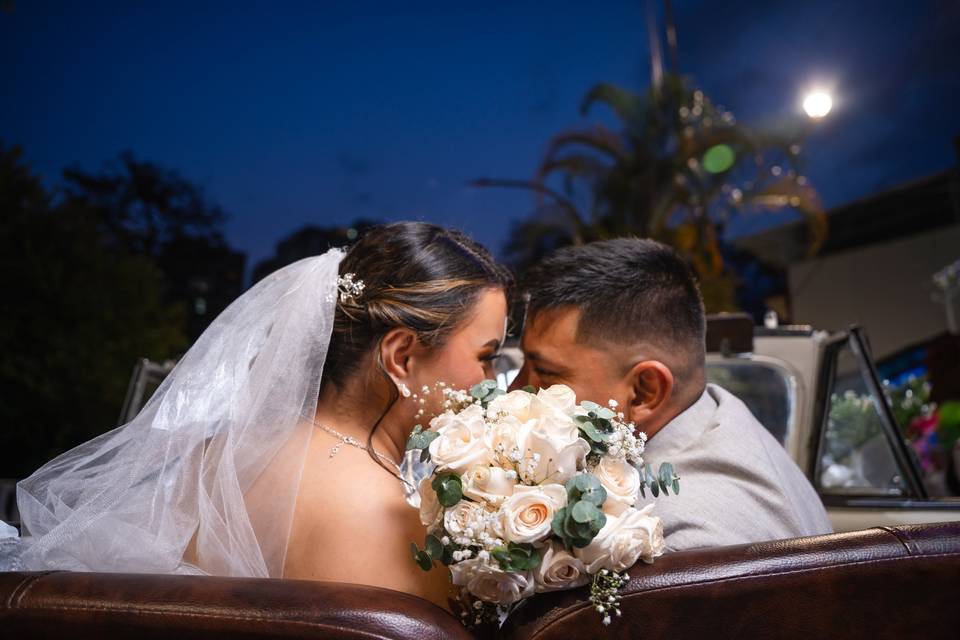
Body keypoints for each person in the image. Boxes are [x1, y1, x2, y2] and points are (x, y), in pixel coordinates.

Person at [7, 221, 512, 610]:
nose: (493, 380)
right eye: (486, 355)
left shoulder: (215, 461)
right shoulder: (386, 515)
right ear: (401, 356)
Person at [511, 237, 832, 551]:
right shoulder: (718, 411)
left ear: (644, 392)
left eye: (546, 373)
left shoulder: (684, 543)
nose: (514, 390)